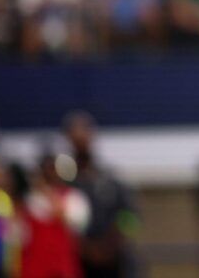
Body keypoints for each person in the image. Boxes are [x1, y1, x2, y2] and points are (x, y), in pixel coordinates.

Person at [63, 111, 139, 278]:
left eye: (85, 133)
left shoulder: (111, 180)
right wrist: (84, 248)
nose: (81, 140)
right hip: (78, 263)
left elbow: (130, 217)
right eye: (75, 135)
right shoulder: (64, 183)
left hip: (115, 262)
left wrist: (110, 244)